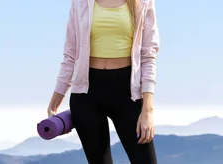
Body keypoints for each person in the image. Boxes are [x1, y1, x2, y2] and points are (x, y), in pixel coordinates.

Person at [46, 0, 160, 163]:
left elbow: (148, 56)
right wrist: (54, 104)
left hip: (128, 95)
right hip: (86, 97)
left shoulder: (143, 2)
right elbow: (70, 56)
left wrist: (147, 110)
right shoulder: (80, 3)